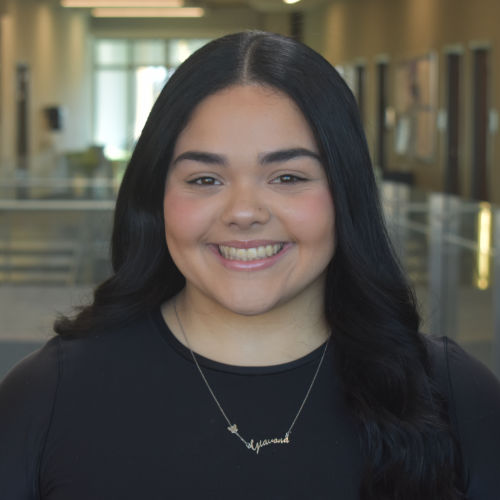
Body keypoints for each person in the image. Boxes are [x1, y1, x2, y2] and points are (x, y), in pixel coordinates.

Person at [1, 31, 499, 500]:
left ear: (345, 193)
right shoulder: (49, 395)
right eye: (205, 179)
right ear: (155, 197)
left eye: (287, 177)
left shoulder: (453, 394)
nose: (244, 213)